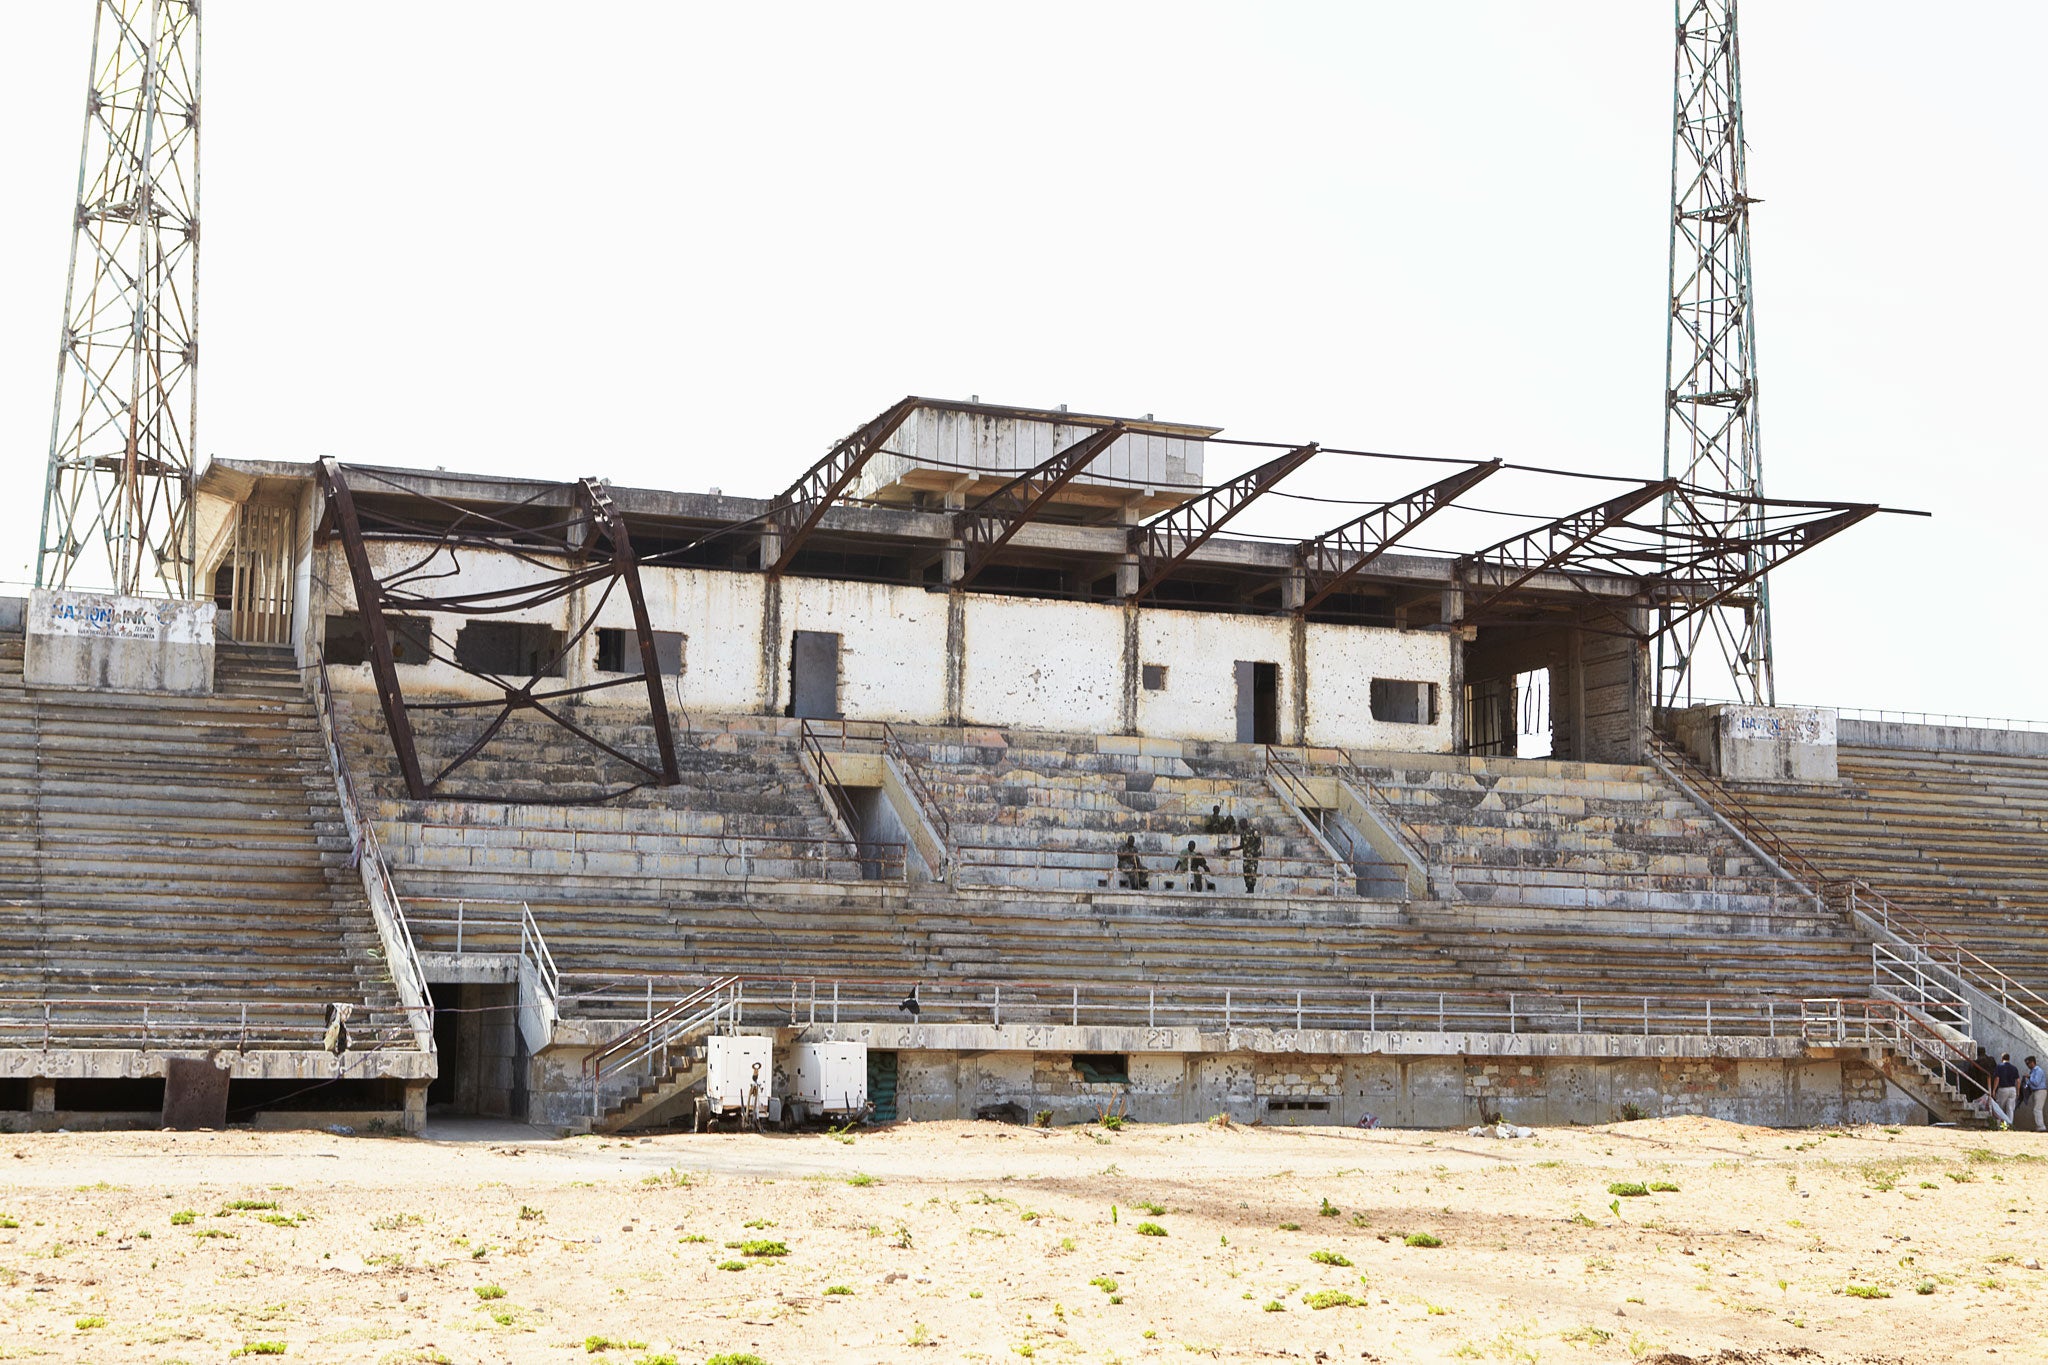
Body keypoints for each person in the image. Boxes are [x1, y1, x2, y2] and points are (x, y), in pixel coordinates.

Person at [1992, 1052, 2022, 1129]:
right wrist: (2018, 1091)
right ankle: (2010, 1125)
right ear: (2009, 1059)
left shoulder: (1999, 1067)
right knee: (2010, 1109)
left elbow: (1997, 1078)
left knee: (2000, 1108)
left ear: (2002, 1059)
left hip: (2003, 1089)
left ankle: (2000, 1125)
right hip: (2012, 1089)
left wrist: (1994, 1090)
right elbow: (2018, 1081)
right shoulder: (2014, 1068)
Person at [1237, 821, 1263, 893]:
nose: (1241, 826)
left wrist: (1255, 850)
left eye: (1241, 824)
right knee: (1246, 872)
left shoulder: (1253, 831)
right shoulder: (1243, 834)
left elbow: (1259, 841)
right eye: (1240, 824)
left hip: (1253, 857)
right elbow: (1241, 846)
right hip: (1246, 857)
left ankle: (1252, 889)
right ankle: (1248, 888)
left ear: (1245, 823)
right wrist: (1231, 849)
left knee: (1252, 872)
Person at [2027, 1056, 2047, 1133]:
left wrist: (2029, 1077)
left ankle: (2041, 1127)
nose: (2028, 1065)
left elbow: (2036, 1082)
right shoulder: (2033, 1071)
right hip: (2036, 1091)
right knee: (2037, 1109)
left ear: (2033, 1062)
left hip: (2040, 1091)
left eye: (2028, 1063)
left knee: (2037, 1109)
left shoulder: (2038, 1070)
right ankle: (2039, 1126)